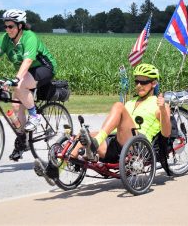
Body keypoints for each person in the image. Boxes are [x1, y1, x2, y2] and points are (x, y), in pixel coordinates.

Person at [34, 63, 171, 182]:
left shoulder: (159, 104)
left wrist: (163, 110)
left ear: (154, 83)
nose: (139, 85)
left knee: (118, 106)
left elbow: (166, 133)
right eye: (136, 82)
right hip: (116, 142)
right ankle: (56, 170)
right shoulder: (130, 102)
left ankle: (94, 144)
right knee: (81, 137)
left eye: (144, 82)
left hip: (138, 146)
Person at [0, 9, 57, 161]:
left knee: (19, 86)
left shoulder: (29, 37)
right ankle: (23, 142)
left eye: (10, 26)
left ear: (20, 26)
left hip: (43, 68)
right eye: (5, 26)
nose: (7, 29)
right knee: (16, 107)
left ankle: (35, 116)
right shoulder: (6, 39)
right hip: (25, 72)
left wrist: (17, 79)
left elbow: (28, 61)